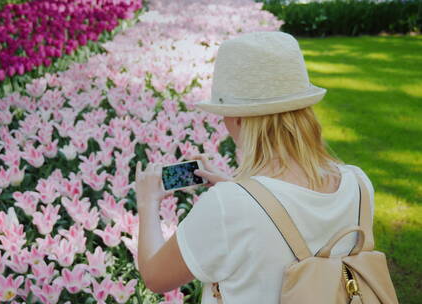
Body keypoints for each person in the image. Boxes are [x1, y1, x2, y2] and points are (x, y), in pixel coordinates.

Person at [134, 31, 374, 303]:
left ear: (237, 119)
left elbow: (155, 277)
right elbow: (295, 215)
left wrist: (147, 203)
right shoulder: (358, 183)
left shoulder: (228, 207)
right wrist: (242, 191)